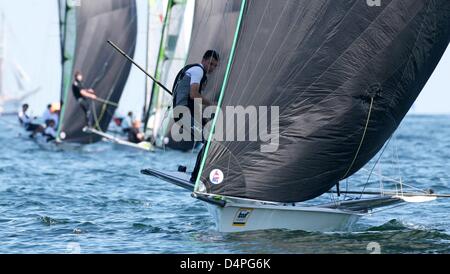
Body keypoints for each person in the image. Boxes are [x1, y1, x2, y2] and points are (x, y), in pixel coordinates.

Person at [170, 50, 220, 183]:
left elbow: (191, 99)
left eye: (215, 65)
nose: (212, 68)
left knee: (211, 139)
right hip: (183, 115)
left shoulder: (193, 71)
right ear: (203, 60)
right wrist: (213, 104)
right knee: (209, 141)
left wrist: (202, 119)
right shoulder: (198, 71)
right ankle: (195, 178)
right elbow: (193, 95)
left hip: (185, 113)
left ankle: (197, 175)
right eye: (210, 63)